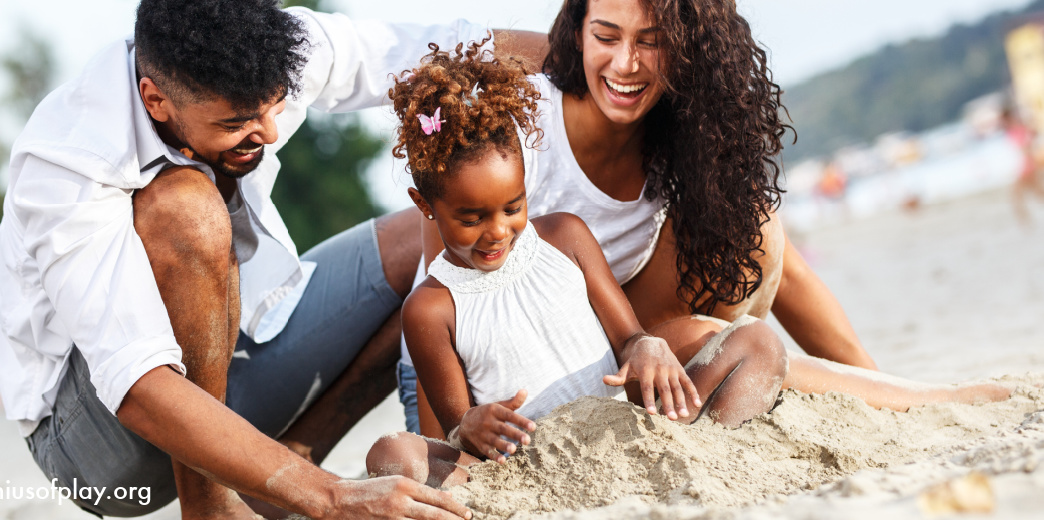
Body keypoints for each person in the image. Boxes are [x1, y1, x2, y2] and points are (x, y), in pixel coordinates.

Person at [0, 0, 544, 518]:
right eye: (235, 124)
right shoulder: (68, 159)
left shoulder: (281, 45)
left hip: (229, 368)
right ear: (154, 98)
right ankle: (213, 504)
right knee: (187, 208)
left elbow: (452, 51)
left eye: (274, 104)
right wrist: (329, 497)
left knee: (432, 229)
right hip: (100, 443)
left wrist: (594, 55)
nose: (271, 132)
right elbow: (136, 383)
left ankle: (273, 481)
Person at [403, 0, 1010, 438]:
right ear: (576, 31)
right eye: (607, 36)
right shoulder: (499, 142)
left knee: (746, 304)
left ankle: (920, 398)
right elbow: (446, 320)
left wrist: (640, 348)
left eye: (651, 39)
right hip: (482, 392)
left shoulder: (648, 161)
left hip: (590, 352)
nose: (626, 64)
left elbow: (783, 274)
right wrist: (451, 443)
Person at [366, 41, 790, 487]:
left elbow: (628, 338)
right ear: (425, 205)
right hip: (525, 472)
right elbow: (455, 429)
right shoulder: (429, 308)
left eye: (513, 207)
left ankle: (709, 461)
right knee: (391, 452)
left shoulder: (565, 236)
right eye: (471, 219)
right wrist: (470, 424)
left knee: (758, 342)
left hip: (623, 434)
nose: (496, 231)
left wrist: (646, 348)